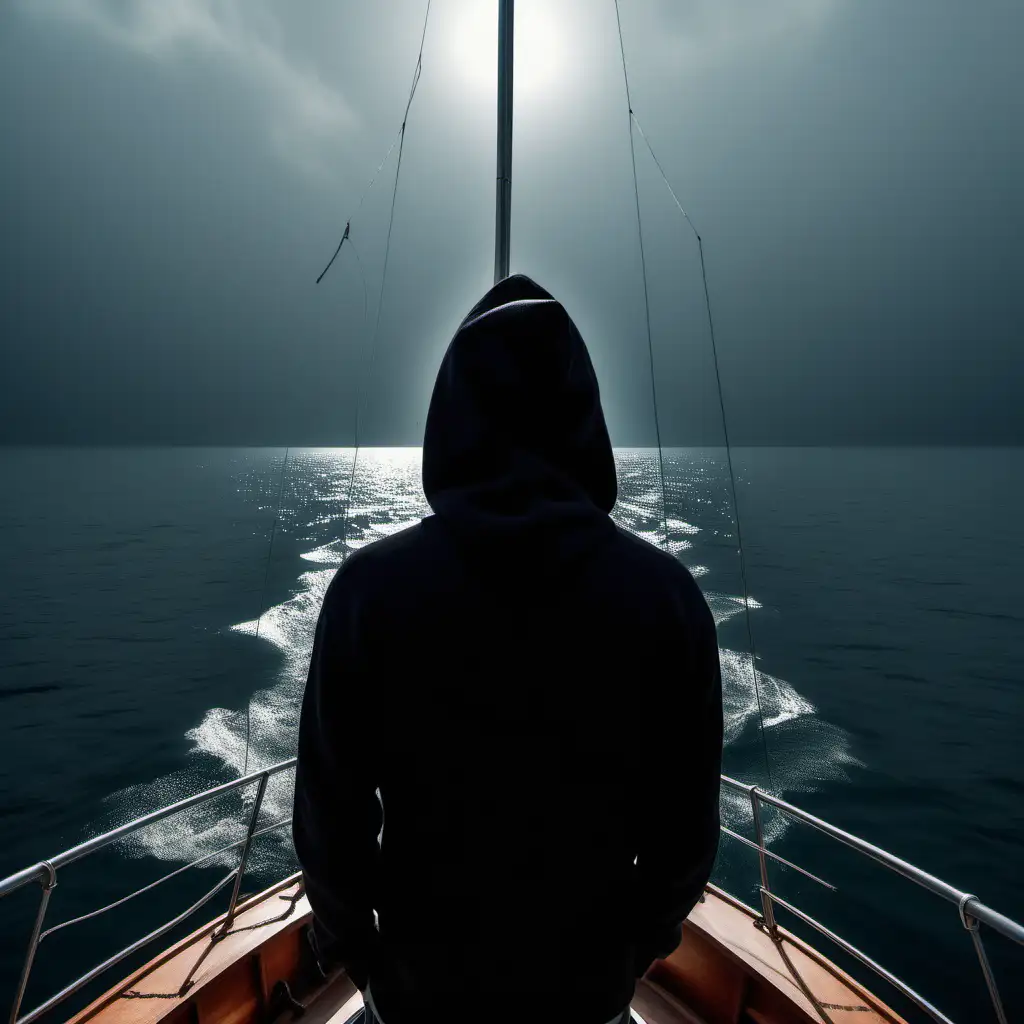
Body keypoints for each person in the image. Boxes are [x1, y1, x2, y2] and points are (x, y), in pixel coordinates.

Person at [292, 274, 723, 1024]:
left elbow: (330, 819)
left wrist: (362, 960)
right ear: (584, 412)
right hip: (586, 994)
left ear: (452, 413)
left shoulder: (369, 592)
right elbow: (684, 833)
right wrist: (628, 954)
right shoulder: (667, 598)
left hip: (420, 993)